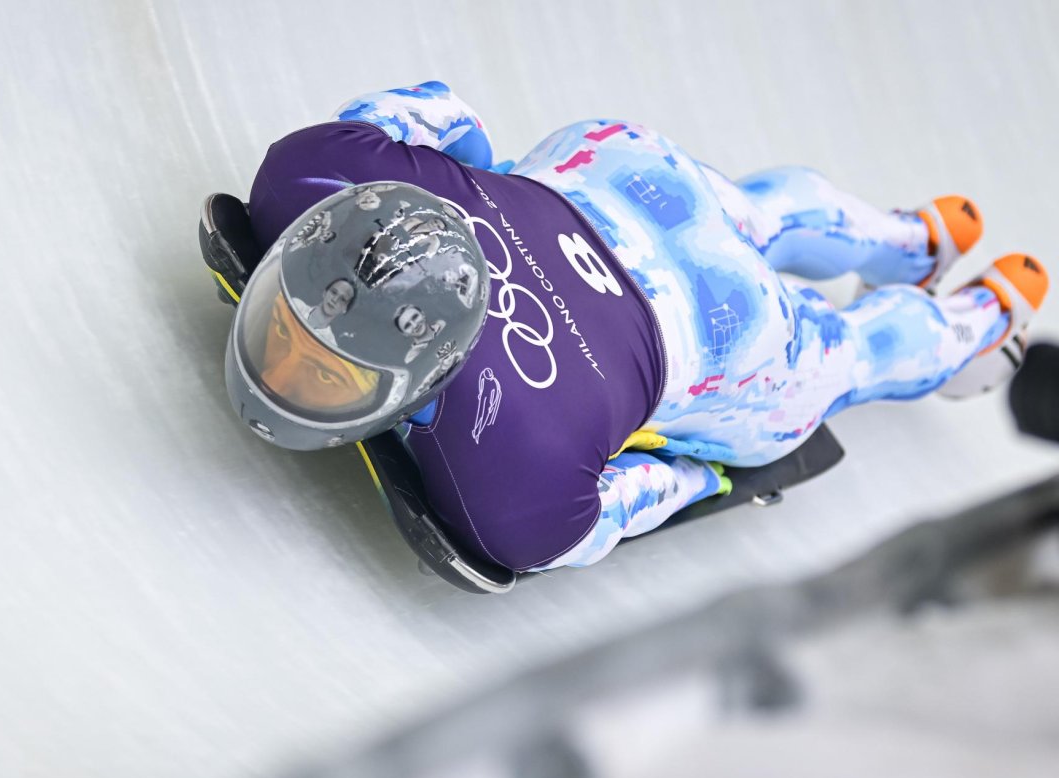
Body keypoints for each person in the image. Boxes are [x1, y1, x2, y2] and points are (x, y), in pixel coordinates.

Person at [213, 81, 1049, 573]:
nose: (282, 370)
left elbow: (628, 503)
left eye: (322, 371)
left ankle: (983, 318)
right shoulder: (311, 173)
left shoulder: (515, 491)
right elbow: (446, 112)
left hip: (727, 333)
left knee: (852, 353)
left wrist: (704, 474)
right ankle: (918, 235)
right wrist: (494, 180)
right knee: (756, 209)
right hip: (618, 172)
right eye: (287, 330)